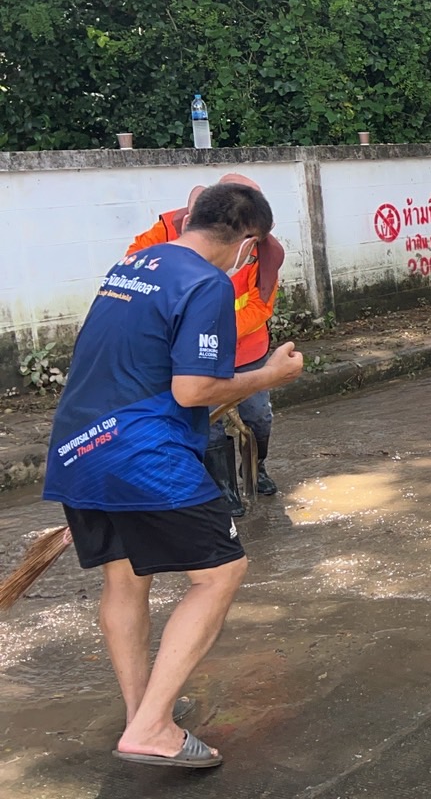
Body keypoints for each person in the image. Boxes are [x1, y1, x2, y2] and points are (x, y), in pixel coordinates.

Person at [43, 181, 304, 768]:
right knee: (220, 572)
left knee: (124, 578)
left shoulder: (133, 265)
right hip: (141, 454)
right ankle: (153, 728)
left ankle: (142, 710)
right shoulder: (207, 282)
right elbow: (193, 388)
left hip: (79, 443)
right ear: (248, 243)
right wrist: (268, 376)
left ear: (189, 218)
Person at [128, 174, 286, 515]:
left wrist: (215, 331)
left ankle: (256, 468)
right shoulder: (165, 233)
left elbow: (261, 306)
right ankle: (223, 487)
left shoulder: (264, 250)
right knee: (207, 422)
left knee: (258, 417)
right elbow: (136, 270)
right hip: (192, 353)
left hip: (245, 350)